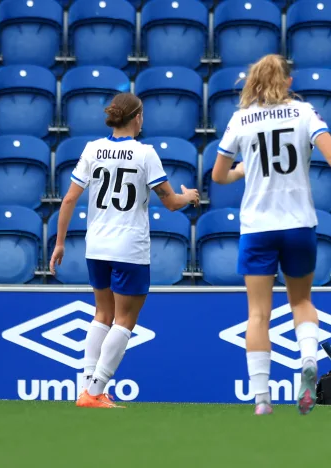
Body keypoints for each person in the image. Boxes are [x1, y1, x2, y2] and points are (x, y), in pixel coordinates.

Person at [210, 54, 331, 416]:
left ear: (254, 82)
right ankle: (309, 358)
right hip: (299, 224)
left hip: (257, 227)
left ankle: (262, 399)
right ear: (288, 82)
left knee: (258, 314)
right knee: (301, 302)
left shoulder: (241, 119)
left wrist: (245, 170)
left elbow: (218, 175)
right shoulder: (304, 113)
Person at [49, 92, 201, 409]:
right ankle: (96, 390)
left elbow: (68, 200)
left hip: (97, 246)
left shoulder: (92, 149)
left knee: (101, 314)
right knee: (125, 319)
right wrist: (190, 196)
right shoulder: (145, 154)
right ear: (136, 118)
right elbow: (172, 203)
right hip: (129, 247)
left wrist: (60, 242)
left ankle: (87, 388)